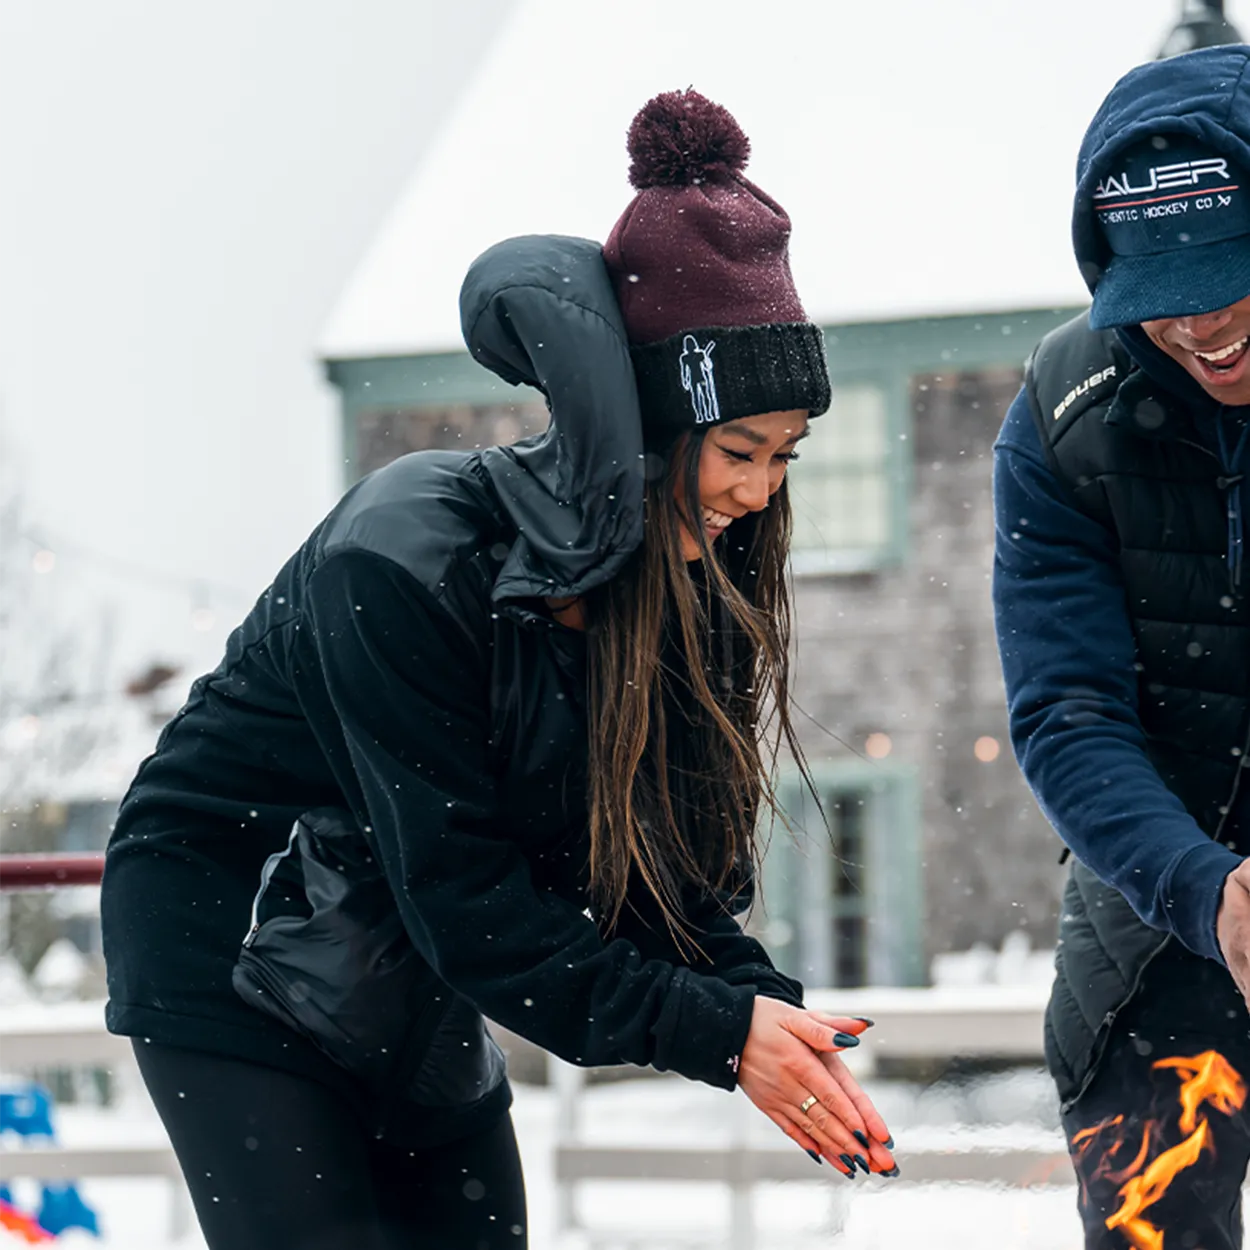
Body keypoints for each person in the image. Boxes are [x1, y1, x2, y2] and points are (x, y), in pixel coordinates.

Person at [101, 89, 897, 1250]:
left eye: (786, 454)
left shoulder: (688, 586)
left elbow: (657, 884)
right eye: (736, 449)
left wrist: (760, 1012)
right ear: (640, 427)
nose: (758, 493)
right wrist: (711, 1030)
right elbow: (466, 895)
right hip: (228, 924)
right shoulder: (405, 551)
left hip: (413, 937)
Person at [994, 44, 1250, 1250]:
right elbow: (1066, 711)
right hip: (1151, 933)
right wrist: (1207, 888)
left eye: (1229, 273)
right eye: (1163, 282)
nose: (1200, 318)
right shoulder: (1061, 415)